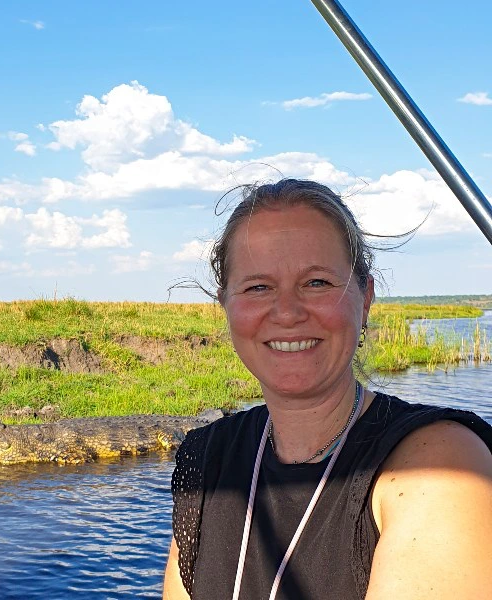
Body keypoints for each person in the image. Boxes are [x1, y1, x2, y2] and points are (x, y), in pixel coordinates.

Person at [162, 179, 492, 599]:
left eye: (317, 282)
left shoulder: (440, 465)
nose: (287, 313)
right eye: (258, 287)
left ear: (365, 295)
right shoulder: (207, 459)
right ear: (225, 302)